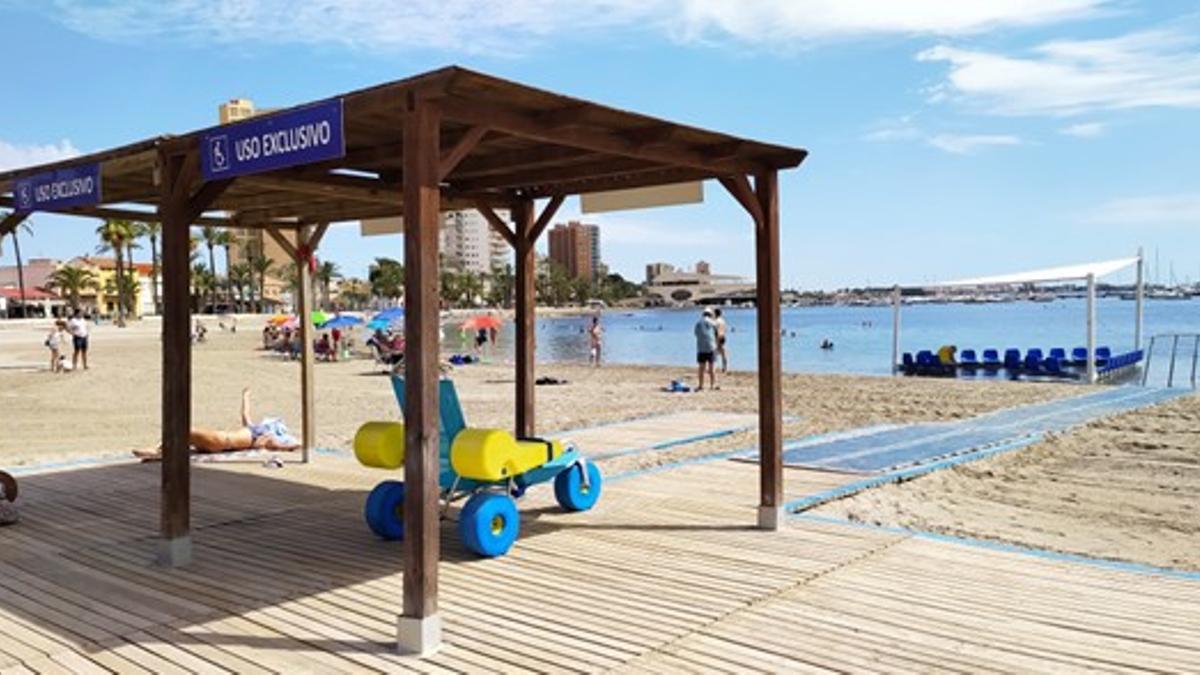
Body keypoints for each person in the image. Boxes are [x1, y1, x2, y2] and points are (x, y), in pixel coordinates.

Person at [133, 388, 300, 461]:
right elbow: (245, 414)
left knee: (182, 431)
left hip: (222, 440)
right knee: (186, 438)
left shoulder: (266, 437)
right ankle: (159, 451)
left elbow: (280, 446)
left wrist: (299, 445)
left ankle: (157, 451)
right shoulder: (255, 430)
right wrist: (246, 396)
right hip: (221, 443)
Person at [694, 308, 718, 391]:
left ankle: (701, 385)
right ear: (710, 315)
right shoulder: (712, 322)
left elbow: (696, 334)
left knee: (701, 368)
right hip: (711, 347)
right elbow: (717, 332)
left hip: (701, 348)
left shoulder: (698, 323)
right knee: (712, 367)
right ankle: (712, 385)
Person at [712, 308, 729, 373]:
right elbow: (725, 329)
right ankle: (724, 367)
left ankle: (714, 367)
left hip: (717, 337)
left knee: (715, 353)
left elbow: (715, 330)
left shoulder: (716, 321)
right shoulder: (723, 321)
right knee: (723, 353)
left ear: (715, 314)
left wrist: (715, 337)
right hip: (723, 336)